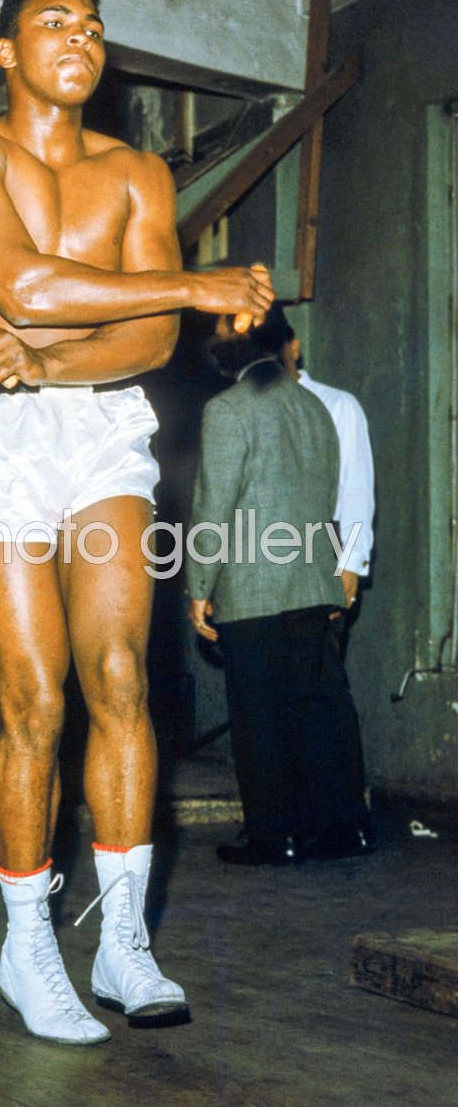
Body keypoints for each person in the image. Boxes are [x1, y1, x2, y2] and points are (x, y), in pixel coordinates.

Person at [0, 0, 274, 1046]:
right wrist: (187, 284)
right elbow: (20, 282)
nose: (80, 36)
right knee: (31, 698)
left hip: (106, 426)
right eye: (52, 22)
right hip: (3, 439)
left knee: (120, 675)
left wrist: (52, 352)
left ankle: (121, 943)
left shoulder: (135, 177)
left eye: (92, 24)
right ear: (9, 53)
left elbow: (147, 348)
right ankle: (28, 943)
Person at [186, 306, 375, 867]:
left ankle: (274, 834)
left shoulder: (227, 410)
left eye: (221, 332)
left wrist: (199, 583)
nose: (215, 340)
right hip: (312, 584)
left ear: (242, 346)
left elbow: (212, 508)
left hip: (253, 587)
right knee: (319, 711)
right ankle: (343, 826)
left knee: (259, 716)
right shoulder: (316, 406)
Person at [278, 315, 375, 616]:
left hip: (320, 543)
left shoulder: (337, 405)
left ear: (294, 348)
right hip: (258, 552)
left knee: (317, 658)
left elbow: (356, 491)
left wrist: (350, 564)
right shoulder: (232, 410)